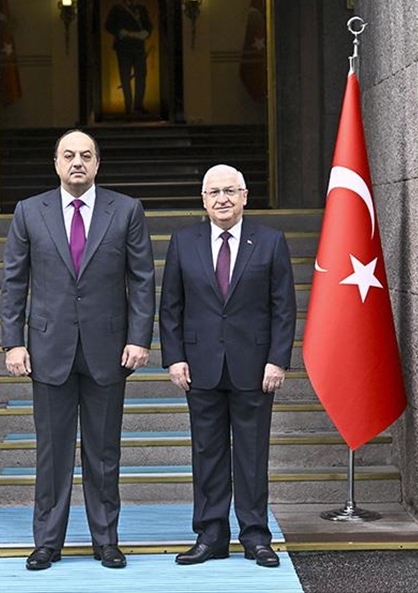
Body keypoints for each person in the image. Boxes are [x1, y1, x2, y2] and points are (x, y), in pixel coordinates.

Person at [0, 129, 156, 570]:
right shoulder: (30, 211)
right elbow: (14, 281)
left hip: (109, 350)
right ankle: (47, 542)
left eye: (86, 155)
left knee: (104, 452)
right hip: (49, 349)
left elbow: (142, 279)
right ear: (56, 163)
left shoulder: (126, 211)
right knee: (52, 452)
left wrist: (139, 337)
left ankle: (106, 540)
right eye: (68, 155)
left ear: (97, 164)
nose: (77, 163)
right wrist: (13, 342)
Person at [159, 164, 296, 567]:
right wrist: (174, 357)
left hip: (254, 367)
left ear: (245, 196)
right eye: (214, 192)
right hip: (199, 366)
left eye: (230, 191)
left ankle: (255, 536)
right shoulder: (183, 241)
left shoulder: (270, 241)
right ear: (203, 200)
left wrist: (277, 359)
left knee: (252, 454)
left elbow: (283, 308)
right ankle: (211, 535)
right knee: (207, 452)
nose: (222, 198)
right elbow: (171, 307)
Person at [103, 0, 153, 116]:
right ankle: (128, 106)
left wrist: (146, 32)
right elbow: (108, 25)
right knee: (125, 77)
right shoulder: (117, 9)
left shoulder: (141, 9)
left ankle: (138, 105)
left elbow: (148, 25)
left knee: (141, 76)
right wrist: (120, 32)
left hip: (138, 46)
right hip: (124, 48)